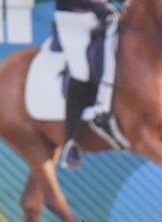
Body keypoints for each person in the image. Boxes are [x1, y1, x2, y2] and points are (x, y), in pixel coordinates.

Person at [56, 0, 117, 169]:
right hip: (73, 18)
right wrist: (95, 5)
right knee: (80, 71)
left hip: (105, 16)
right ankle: (71, 142)